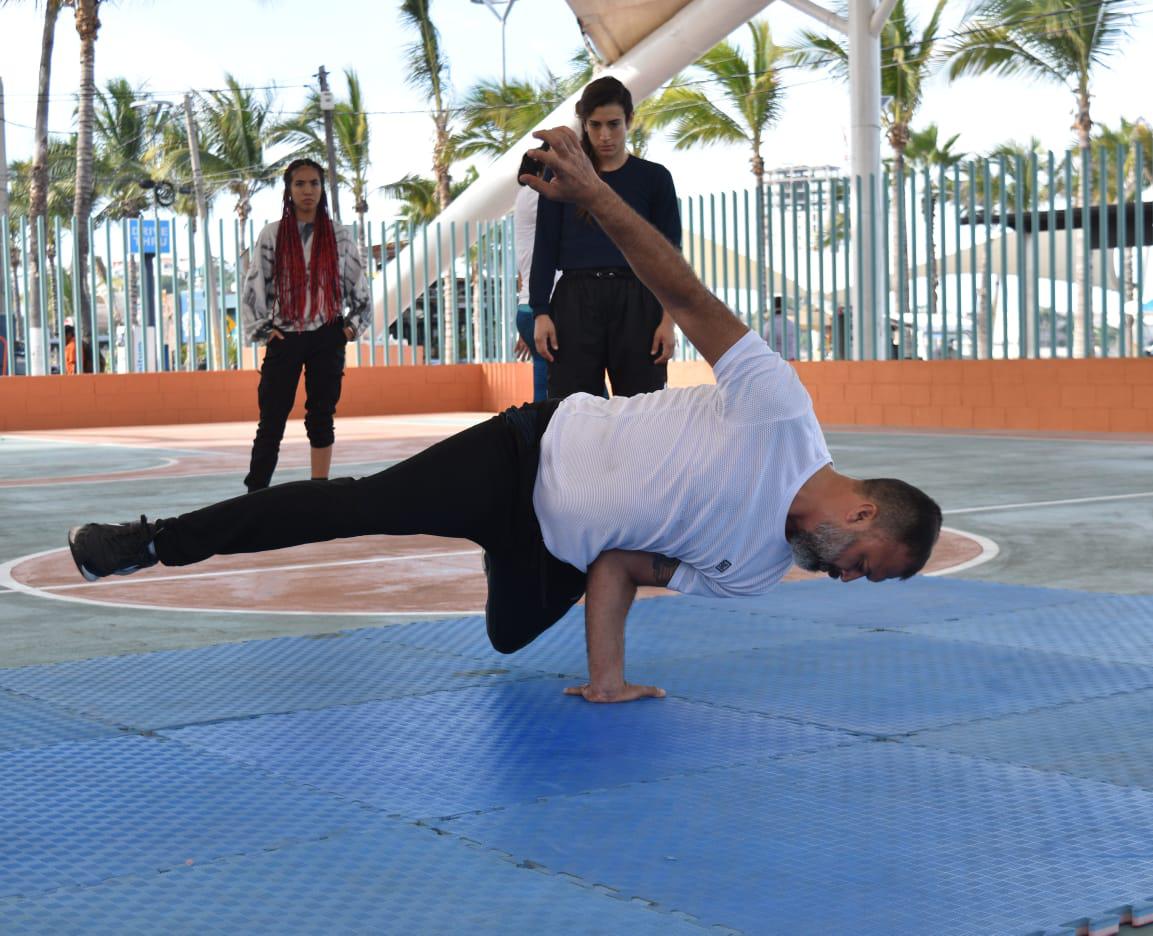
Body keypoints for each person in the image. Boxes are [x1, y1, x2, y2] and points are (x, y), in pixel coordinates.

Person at [67, 126, 942, 705]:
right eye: (865, 564)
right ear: (862, 512)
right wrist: (597, 199)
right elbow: (685, 290)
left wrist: (607, 682)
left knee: (512, 634)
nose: (848, 580)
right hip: (525, 458)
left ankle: (504, 554)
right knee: (352, 509)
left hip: (554, 545)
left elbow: (621, 565)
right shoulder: (780, 415)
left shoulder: (756, 569)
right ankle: (146, 541)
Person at [530, 76, 680, 399]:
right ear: (584, 125)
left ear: (629, 120)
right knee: (572, 411)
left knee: (642, 411)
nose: (604, 135)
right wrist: (540, 311)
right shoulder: (561, 176)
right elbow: (544, 244)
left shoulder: (655, 179)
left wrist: (669, 321)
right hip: (574, 302)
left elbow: (671, 256)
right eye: (594, 125)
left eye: (613, 124)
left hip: (638, 301)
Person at [241, 158, 371, 492]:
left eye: (314, 183)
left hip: (327, 335)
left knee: (321, 416)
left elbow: (360, 290)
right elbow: (255, 285)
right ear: (288, 190)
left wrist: (348, 329)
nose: (307, 190)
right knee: (271, 418)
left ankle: (319, 491)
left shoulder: (339, 237)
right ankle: (256, 492)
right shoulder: (272, 235)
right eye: (299, 184)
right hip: (285, 336)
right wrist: (263, 329)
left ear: (322, 189)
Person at [513, 184, 549, 402]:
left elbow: (521, 276)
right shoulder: (537, 194)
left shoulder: (524, 200)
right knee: (584, 377)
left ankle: (539, 430)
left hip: (527, 307)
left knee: (544, 377)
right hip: (546, 307)